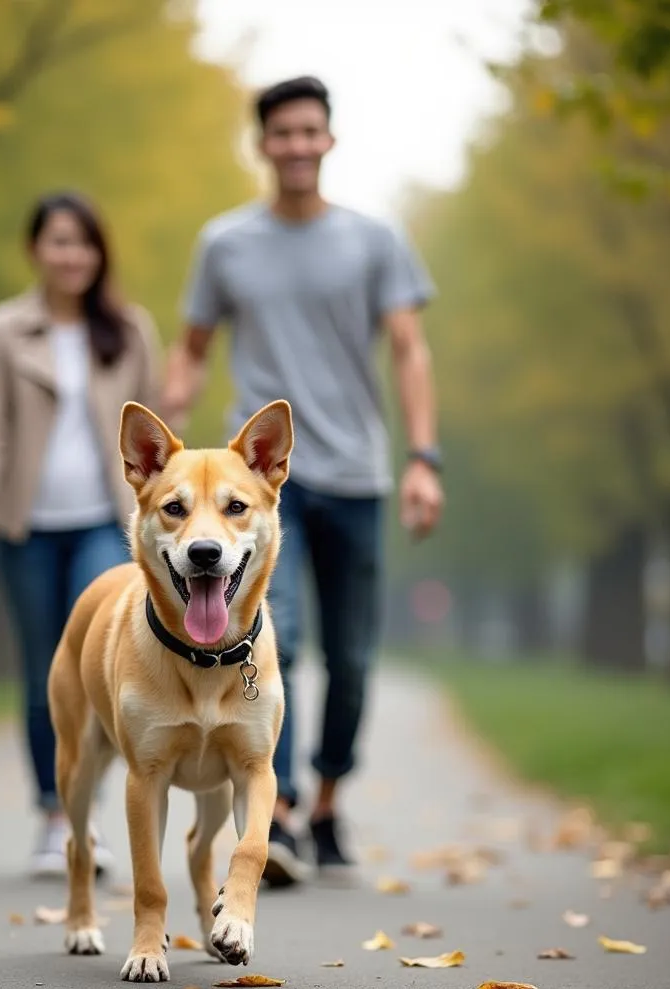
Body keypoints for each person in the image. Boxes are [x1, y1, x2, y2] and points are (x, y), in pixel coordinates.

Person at [161, 76, 444, 887]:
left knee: (351, 655)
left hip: (354, 472)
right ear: (263, 143)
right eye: (280, 132)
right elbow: (192, 344)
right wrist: (173, 399)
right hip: (254, 487)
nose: (295, 145)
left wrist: (424, 459)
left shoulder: (374, 240)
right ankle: (273, 813)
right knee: (268, 637)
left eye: (308, 131)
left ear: (329, 139)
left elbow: (409, 350)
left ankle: (325, 804)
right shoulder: (225, 243)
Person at [0, 191, 163, 879]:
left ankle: (89, 809)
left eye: (84, 242)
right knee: (47, 672)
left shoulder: (130, 330)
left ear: (101, 253)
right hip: (26, 528)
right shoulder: (4, 330)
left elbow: (156, 436)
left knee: (99, 663)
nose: (73, 255)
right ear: (35, 248)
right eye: (59, 241)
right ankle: (53, 811)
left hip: (106, 524)